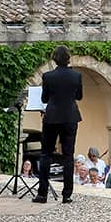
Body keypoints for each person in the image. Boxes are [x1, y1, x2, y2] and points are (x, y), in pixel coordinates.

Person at [35, 46, 82, 204]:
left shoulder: (48, 76)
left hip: (52, 117)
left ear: (54, 58)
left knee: (46, 154)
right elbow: (79, 96)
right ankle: (67, 195)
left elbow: (44, 98)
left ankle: (42, 194)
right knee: (68, 156)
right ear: (68, 58)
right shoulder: (76, 76)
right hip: (70, 117)